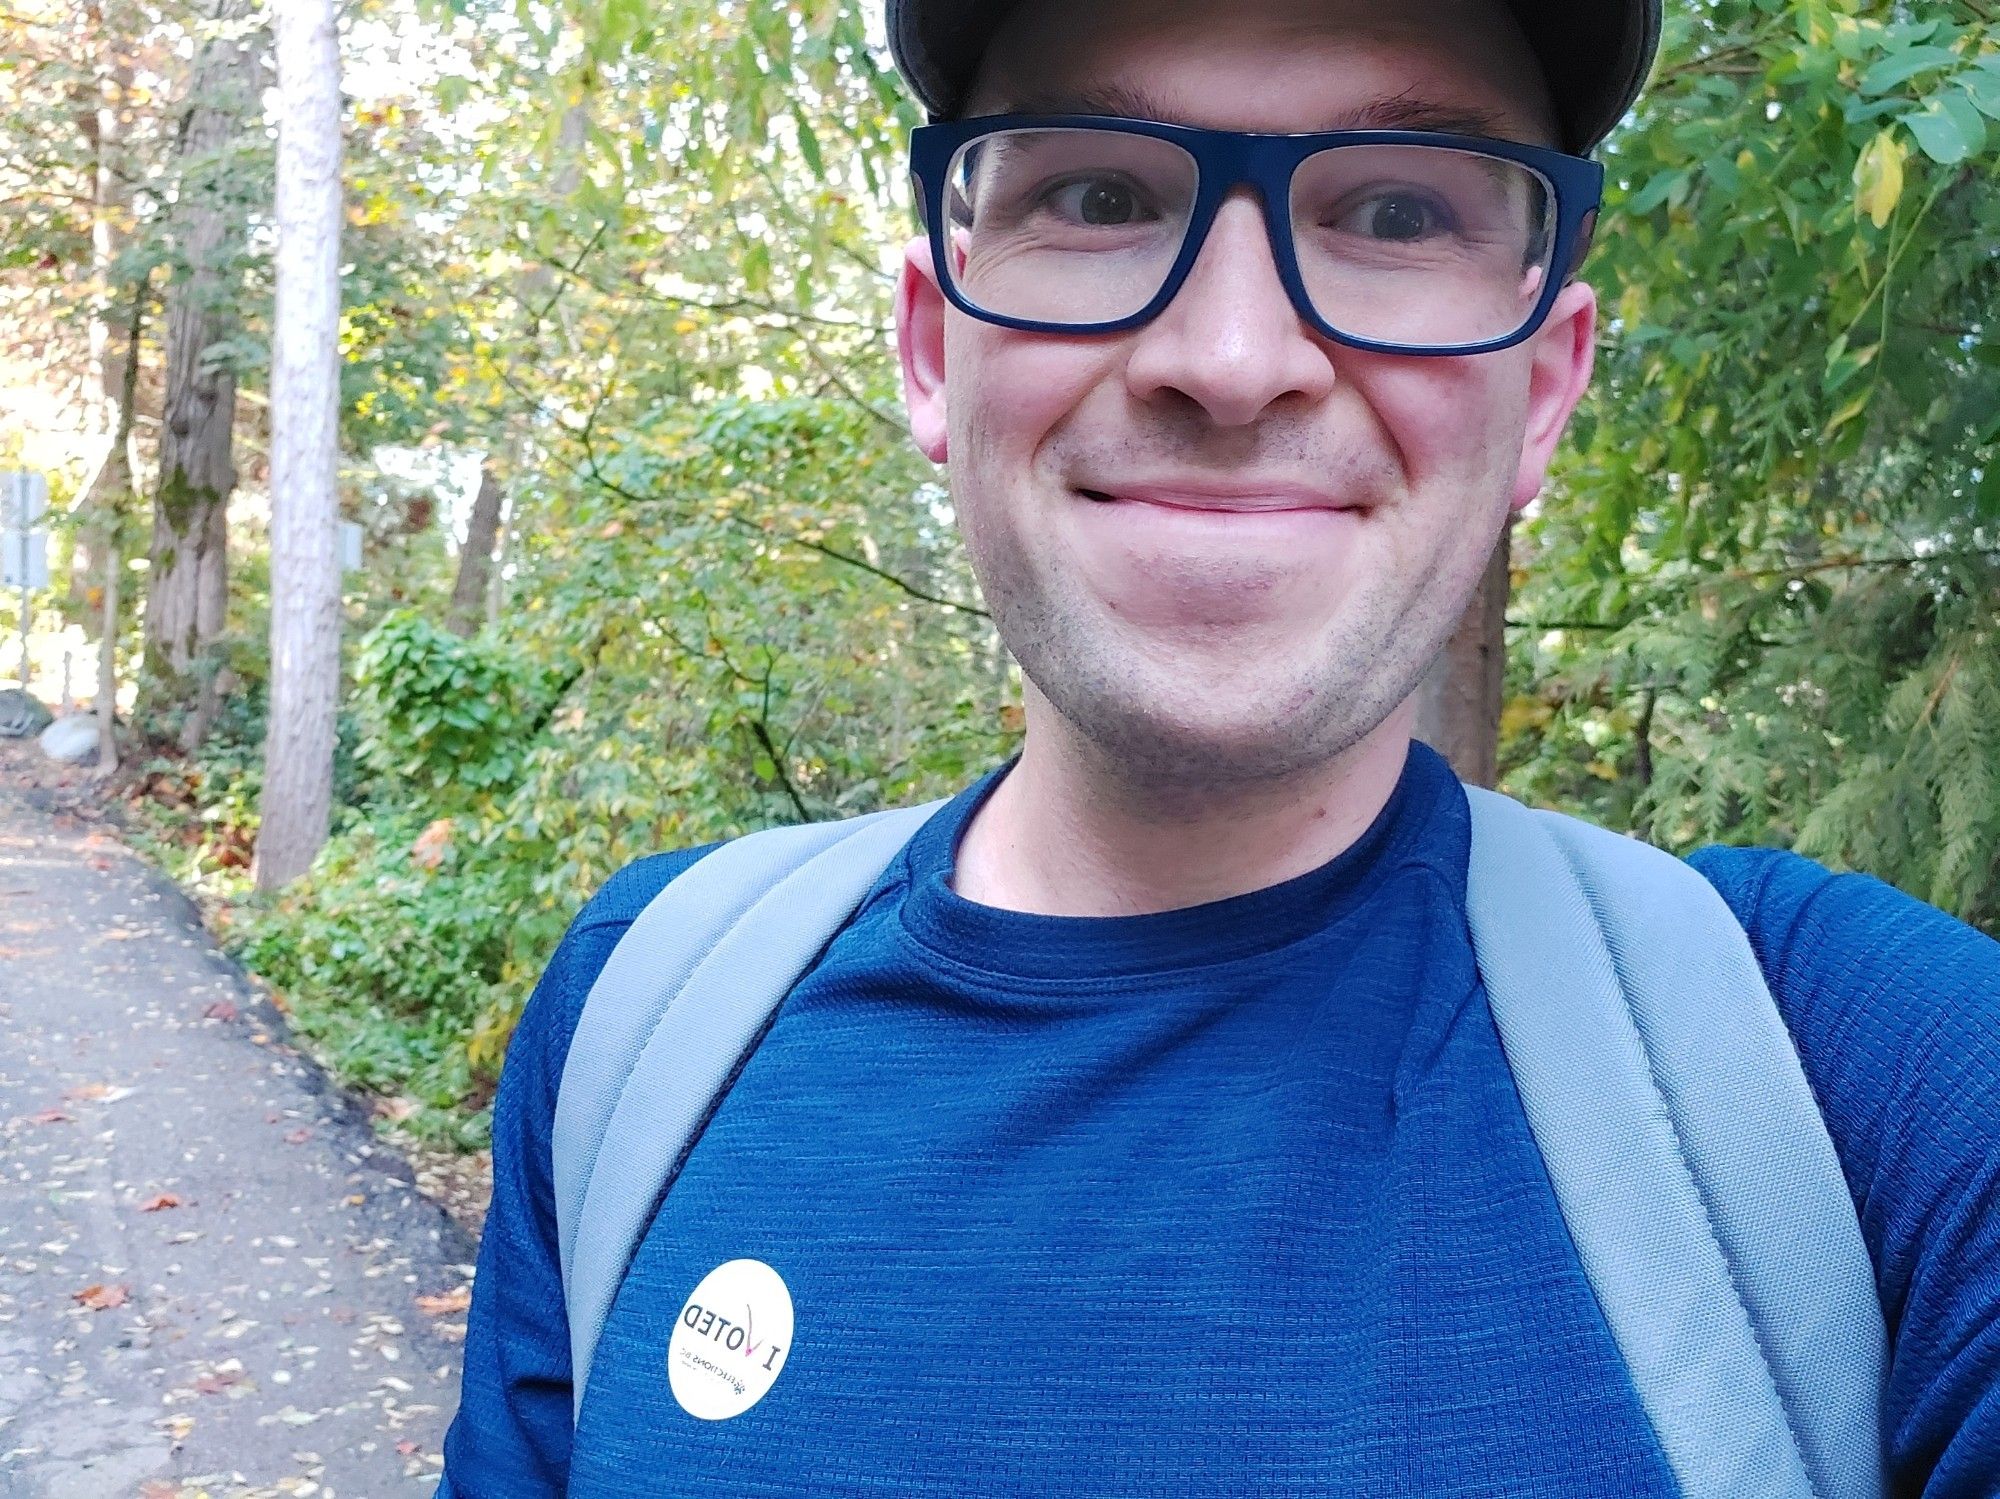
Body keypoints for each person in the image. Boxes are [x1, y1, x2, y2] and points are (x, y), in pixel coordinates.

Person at [436, 0, 2000, 1492]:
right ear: (933, 349)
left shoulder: (1850, 1085)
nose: (1236, 358)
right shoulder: (644, 1012)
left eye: (1396, 216)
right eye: (1104, 192)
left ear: (1541, 391)